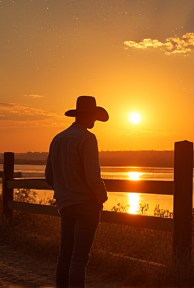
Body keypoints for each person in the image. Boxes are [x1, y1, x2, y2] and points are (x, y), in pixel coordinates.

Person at [45, 95, 109, 288]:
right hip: (85, 206)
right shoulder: (88, 139)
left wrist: (64, 189)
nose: (95, 121)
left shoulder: (57, 139)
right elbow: (92, 177)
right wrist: (102, 197)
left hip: (65, 205)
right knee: (79, 259)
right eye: (94, 117)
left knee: (65, 256)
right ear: (88, 116)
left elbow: (49, 176)